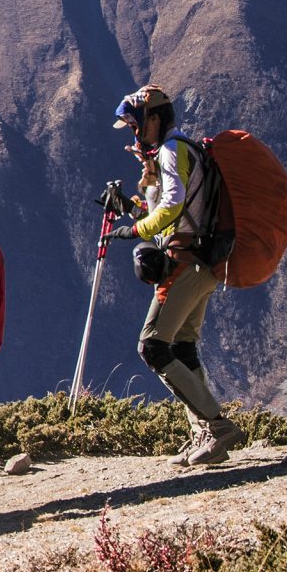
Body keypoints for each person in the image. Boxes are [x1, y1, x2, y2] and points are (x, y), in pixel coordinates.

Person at [109, 85, 250, 466]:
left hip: (185, 262)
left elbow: (171, 208)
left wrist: (132, 231)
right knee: (182, 347)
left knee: (152, 346)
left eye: (136, 124)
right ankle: (204, 435)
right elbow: (174, 210)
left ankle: (217, 426)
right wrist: (132, 208)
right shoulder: (181, 151)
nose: (134, 133)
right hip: (202, 262)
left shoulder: (173, 152)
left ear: (153, 119)